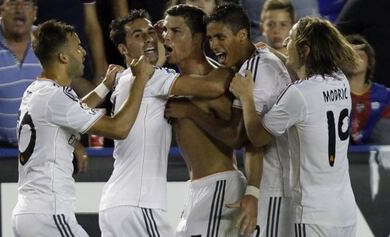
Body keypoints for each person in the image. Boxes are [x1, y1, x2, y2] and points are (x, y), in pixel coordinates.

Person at [11, 19, 153, 237]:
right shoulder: (56, 96)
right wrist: (141, 79)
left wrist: (105, 85)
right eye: (77, 47)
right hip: (49, 214)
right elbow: (119, 129)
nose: (83, 52)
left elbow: (73, 111)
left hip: (28, 213)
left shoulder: (37, 90)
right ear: (63, 57)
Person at [98, 9, 230, 237]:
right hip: (139, 204)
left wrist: (160, 34)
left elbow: (158, 56)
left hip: (115, 204)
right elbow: (213, 86)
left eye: (151, 32)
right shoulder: (150, 78)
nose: (150, 38)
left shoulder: (124, 79)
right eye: (138, 35)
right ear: (122, 48)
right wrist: (238, 65)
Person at [166, 3, 292, 236]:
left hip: (260, 184)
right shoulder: (249, 64)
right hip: (206, 189)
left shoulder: (239, 75)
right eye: (212, 38)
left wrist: (190, 110)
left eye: (220, 37)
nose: (214, 44)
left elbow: (244, 138)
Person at [230, 16, 359, 236]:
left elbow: (258, 138)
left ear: (306, 49)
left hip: (313, 214)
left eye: (290, 40)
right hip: (344, 211)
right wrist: (276, 53)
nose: (284, 44)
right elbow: (308, 70)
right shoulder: (340, 80)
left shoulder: (299, 94)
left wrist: (247, 97)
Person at [0, 0, 41, 167]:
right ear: (0, 11)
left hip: (39, 153)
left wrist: (72, 139)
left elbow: (64, 95)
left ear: (35, 12)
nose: (19, 9)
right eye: (12, 3)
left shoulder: (49, 44)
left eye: (25, 4)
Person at [343, 34, 390, 145]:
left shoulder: (385, 96)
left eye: (360, 55)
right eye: (350, 55)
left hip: (378, 155)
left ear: (369, 62)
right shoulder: (331, 95)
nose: (355, 59)